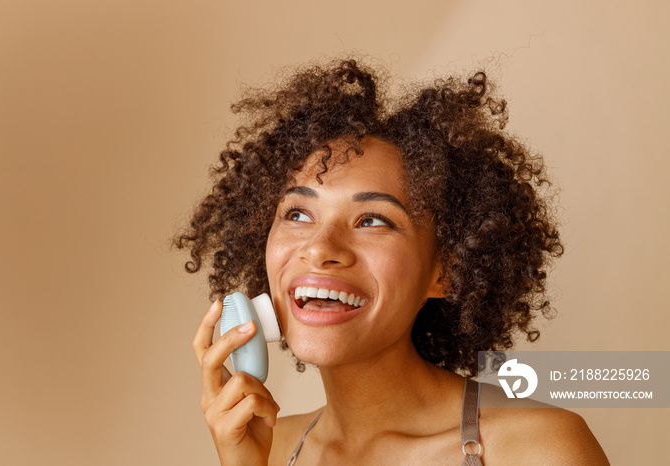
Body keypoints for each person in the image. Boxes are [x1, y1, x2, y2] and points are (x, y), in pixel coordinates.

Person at [176, 58, 609, 465]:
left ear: (448, 271)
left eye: (372, 220)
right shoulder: (268, 444)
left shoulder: (538, 449)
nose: (320, 247)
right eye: (297, 214)